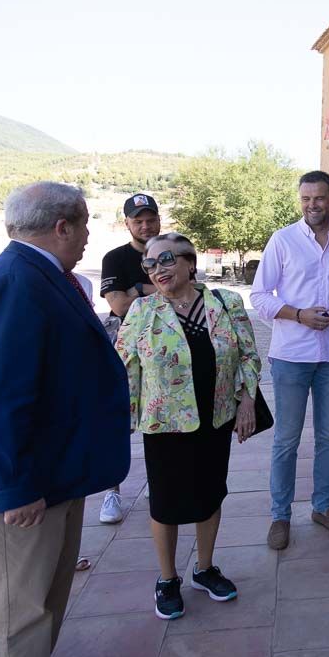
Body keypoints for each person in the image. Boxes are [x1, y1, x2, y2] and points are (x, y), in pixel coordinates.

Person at [0, 181, 130, 657]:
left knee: (44, 606)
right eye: (85, 224)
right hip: (28, 486)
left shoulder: (38, 275)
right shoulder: (16, 282)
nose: (90, 236)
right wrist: (17, 488)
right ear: (61, 226)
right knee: (20, 617)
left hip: (54, 474)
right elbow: (1, 399)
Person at [115, 232, 260, 620]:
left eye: (166, 260)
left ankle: (205, 568)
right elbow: (124, 368)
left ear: (189, 262)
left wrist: (246, 401)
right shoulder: (143, 311)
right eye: (149, 263)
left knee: (212, 493)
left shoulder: (226, 303)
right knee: (166, 503)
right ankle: (167, 579)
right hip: (165, 424)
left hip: (216, 416)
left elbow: (248, 354)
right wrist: (120, 422)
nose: (157, 269)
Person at [251, 171, 329, 549]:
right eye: (305, 199)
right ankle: (280, 515)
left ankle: (323, 506)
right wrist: (298, 314)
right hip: (290, 356)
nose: (311, 205)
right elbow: (259, 295)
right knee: (286, 440)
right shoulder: (282, 240)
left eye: (318, 198)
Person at [96, 192, 161, 524]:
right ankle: (112, 492)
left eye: (151, 219)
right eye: (139, 221)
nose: (146, 226)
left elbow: (186, 292)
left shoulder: (174, 249)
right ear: (128, 224)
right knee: (117, 422)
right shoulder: (115, 258)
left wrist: (135, 288)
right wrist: (148, 288)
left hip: (166, 352)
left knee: (159, 418)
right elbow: (118, 306)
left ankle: (157, 481)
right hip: (127, 351)